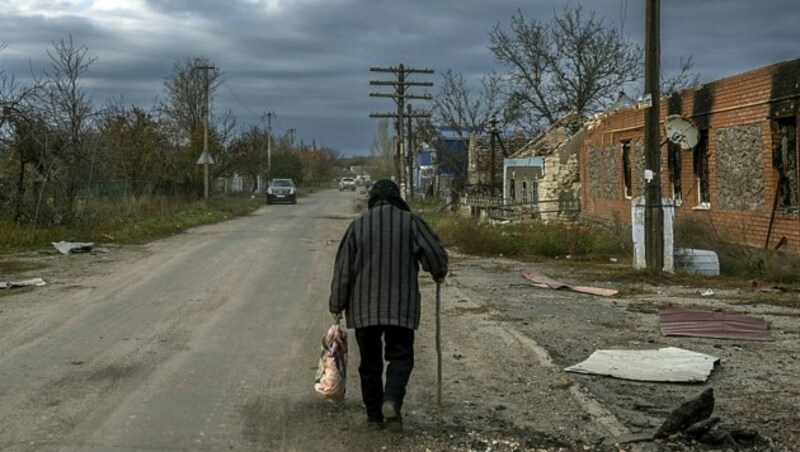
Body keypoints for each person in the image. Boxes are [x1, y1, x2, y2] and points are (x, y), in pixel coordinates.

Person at [329, 179, 448, 432]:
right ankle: (392, 401)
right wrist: (438, 272)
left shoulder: (357, 226)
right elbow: (435, 254)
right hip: (400, 307)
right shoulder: (410, 222)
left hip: (364, 309)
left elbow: (343, 270)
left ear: (373, 200)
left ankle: (374, 417)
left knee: (369, 362)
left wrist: (337, 304)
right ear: (396, 199)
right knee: (401, 356)